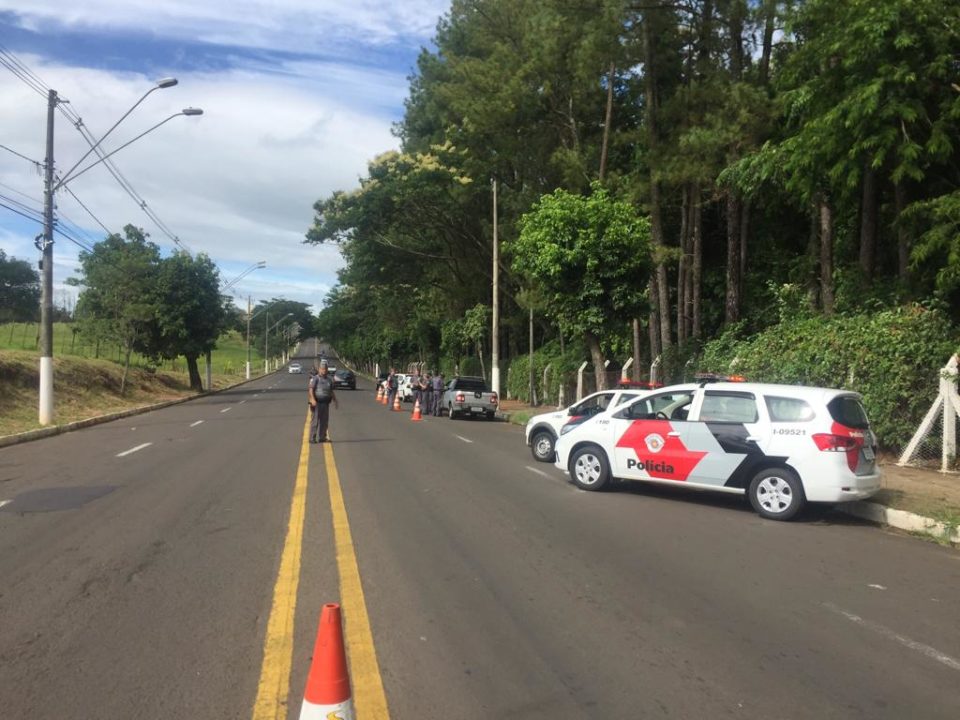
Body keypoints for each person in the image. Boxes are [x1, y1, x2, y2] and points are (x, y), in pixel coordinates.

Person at [308, 361, 338, 443]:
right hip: (317, 403)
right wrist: (313, 399)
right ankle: (312, 438)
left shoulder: (329, 380)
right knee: (315, 421)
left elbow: (331, 391)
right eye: (322, 369)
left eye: (325, 369)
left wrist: (335, 401)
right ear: (319, 369)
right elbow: (311, 390)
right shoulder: (315, 379)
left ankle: (322, 437)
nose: (324, 370)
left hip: (325, 403)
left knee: (324, 421)